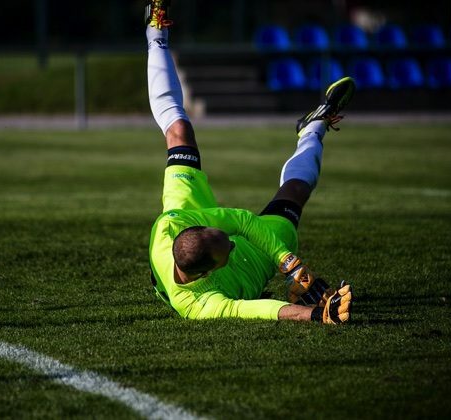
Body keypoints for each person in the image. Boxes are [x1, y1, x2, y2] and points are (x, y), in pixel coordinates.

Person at [145, 0, 353, 324]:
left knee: (179, 131)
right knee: (295, 192)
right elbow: (255, 309)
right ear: (213, 268)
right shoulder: (197, 305)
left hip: (185, 211)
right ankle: (314, 128)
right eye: (226, 245)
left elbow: (241, 222)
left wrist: (291, 266)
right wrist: (315, 314)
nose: (232, 240)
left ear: (198, 227)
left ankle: (155, 35)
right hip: (246, 271)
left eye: (220, 235)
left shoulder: (168, 227)